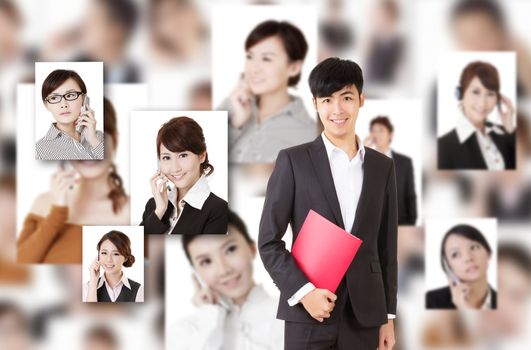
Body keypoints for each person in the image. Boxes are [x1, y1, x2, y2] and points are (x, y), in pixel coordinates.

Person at [258, 57, 397, 350]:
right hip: (308, 312)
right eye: (327, 99)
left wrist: (388, 316)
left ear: (361, 99)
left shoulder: (382, 167)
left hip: (365, 317)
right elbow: (269, 241)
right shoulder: (293, 161)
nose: (337, 109)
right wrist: (304, 292)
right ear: (315, 104)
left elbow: (386, 248)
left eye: (346, 97)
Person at [18, 98, 129, 263]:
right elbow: (20, 269)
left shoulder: (134, 212)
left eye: (97, 135)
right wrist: (57, 213)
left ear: (116, 140)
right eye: (78, 135)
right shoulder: (44, 203)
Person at [168, 210, 283, 349]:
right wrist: (208, 314)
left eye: (231, 249)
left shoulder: (291, 319)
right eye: (206, 261)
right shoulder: (186, 332)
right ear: (196, 271)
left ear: (252, 248)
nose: (224, 270)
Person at [218, 20, 316, 163]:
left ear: (294, 68)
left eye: (266, 59)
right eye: (250, 57)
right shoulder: (229, 107)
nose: (253, 68)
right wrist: (235, 124)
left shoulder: (309, 135)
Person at [140, 116, 227, 234]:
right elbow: (138, 249)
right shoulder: (154, 205)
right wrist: (160, 210)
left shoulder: (219, 210)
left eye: (183, 155)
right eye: (166, 157)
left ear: (201, 156)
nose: (175, 168)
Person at [438, 61, 516, 170]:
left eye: (490, 94)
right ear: (460, 94)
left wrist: (510, 128)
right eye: (475, 92)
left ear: (498, 99)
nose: (482, 103)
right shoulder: (442, 147)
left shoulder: (507, 134)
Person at [35, 69, 104, 160]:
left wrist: (94, 141)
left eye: (70, 95)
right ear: (46, 105)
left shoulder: (100, 137)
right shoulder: (39, 150)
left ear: (84, 99)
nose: (64, 105)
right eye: (54, 97)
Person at [426, 224, 496, 310]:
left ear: (488, 253)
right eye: (455, 254)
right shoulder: (431, 301)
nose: (468, 258)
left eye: (474, 247)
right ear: (449, 266)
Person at [366, 116, 417, 225]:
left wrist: (411, 224)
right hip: (374, 223)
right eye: (373, 131)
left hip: (400, 221)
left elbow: (410, 195)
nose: (376, 134)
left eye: (381, 130)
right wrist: (364, 153)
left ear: (390, 134)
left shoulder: (405, 162)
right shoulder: (366, 159)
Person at [83, 230, 143, 302]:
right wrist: (93, 280)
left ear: (125, 258)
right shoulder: (87, 287)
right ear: (98, 255)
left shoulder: (139, 290)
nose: (109, 259)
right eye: (104, 253)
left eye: (115, 254)